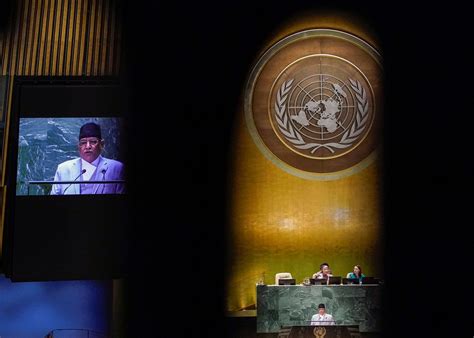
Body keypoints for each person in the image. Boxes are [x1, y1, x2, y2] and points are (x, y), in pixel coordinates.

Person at [50, 122, 125, 195]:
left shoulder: (116, 168)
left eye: (93, 142)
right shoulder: (63, 169)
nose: (88, 146)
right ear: (78, 146)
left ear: (101, 144)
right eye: (83, 143)